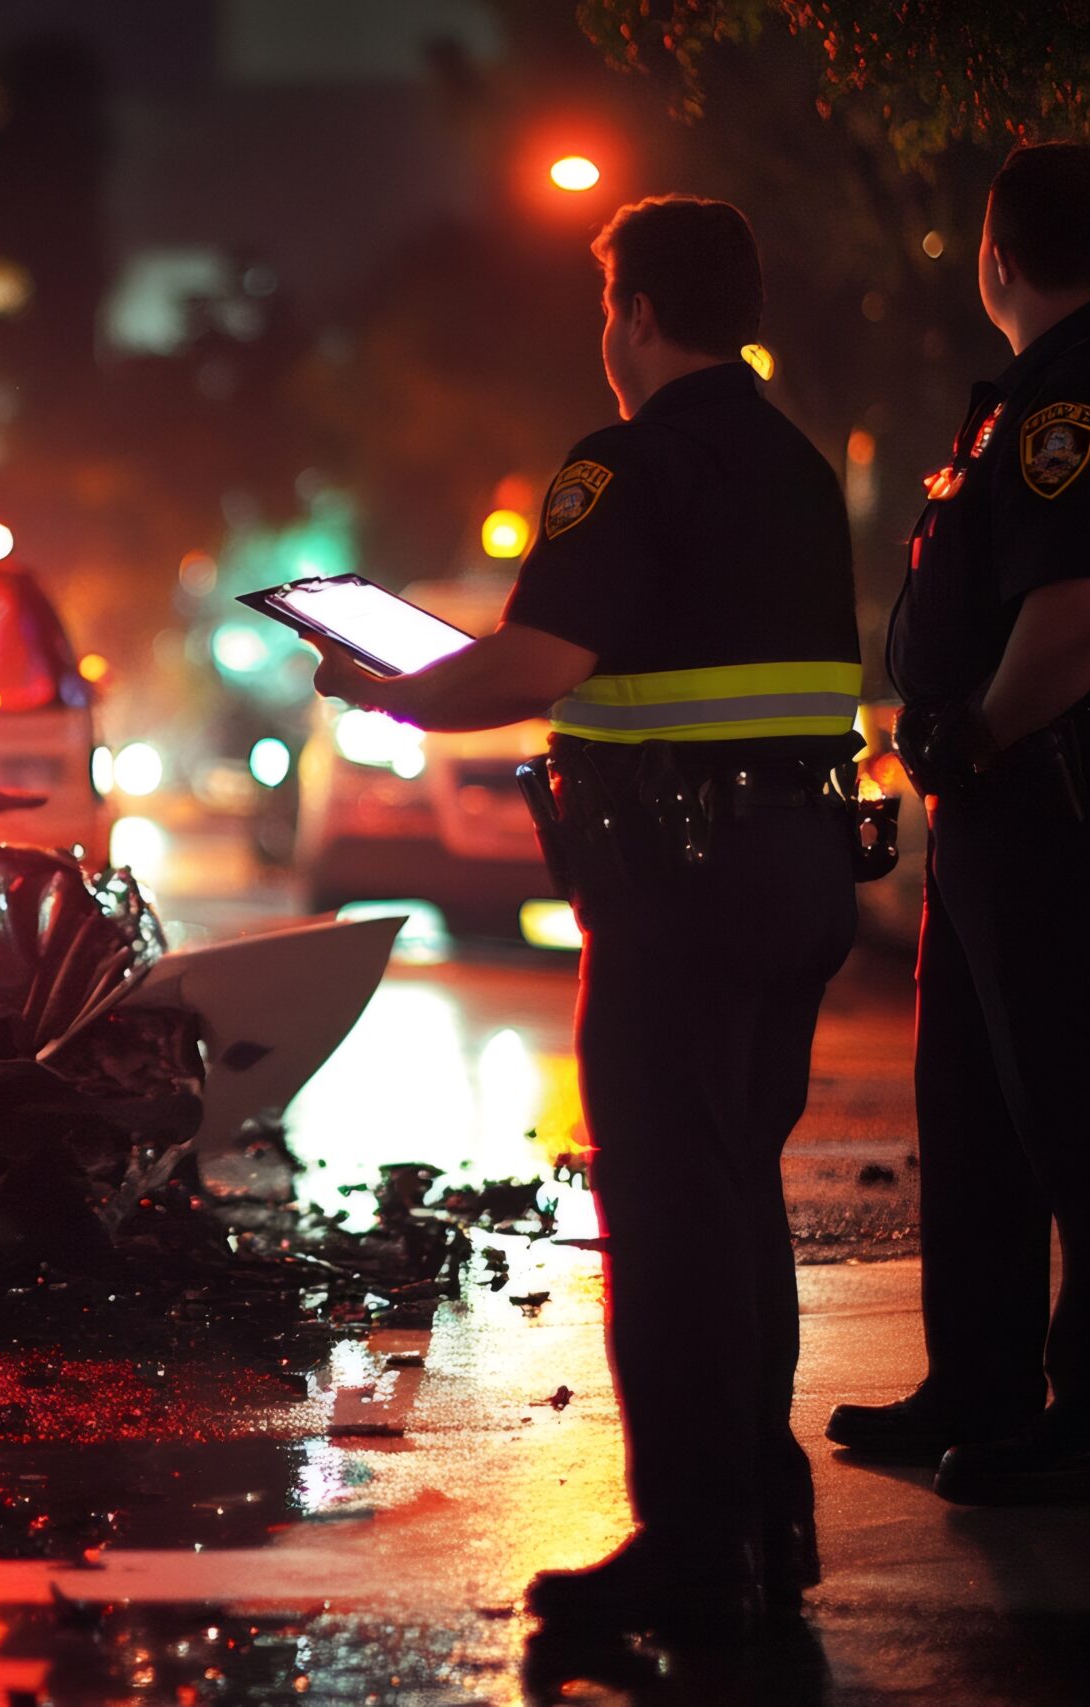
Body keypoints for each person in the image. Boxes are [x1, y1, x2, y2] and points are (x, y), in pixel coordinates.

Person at [310, 196, 860, 1637]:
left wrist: (386, 683)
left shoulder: (625, 464)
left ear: (635, 315)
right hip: (801, 868)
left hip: (680, 886)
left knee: (672, 1218)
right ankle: (761, 1515)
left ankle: (692, 1552)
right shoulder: (801, 465)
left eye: (606, 306)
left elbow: (534, 665)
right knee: (740, 1198)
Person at [827, 142, 1090, 1503]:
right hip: (1017, 805)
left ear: (995, 252)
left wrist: (978, 728)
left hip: (1071, 799)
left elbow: (1083, 611)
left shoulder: (1087, 395)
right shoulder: (1050, 391)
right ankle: (983, 1387)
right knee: (984, 1104)